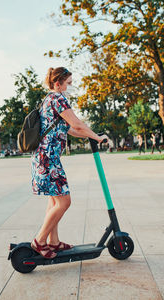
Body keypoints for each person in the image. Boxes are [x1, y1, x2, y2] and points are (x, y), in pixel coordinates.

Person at [30, 67, 108, 259]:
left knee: (55, 200)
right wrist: (97, 137)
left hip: (45, 157)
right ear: (58, 83)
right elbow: (78, 124)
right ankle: (39, 241)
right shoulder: (58, 98)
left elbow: (70, 129)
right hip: (47, 158)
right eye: (69, 83)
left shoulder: (48, 100)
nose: (70, 86)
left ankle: (53, 242)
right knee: (64, 201)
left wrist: (90, 135)